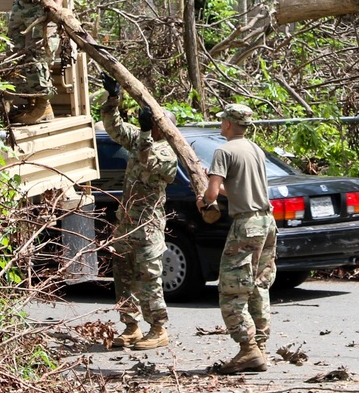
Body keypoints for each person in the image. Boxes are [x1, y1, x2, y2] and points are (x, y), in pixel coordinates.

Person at [196, 103, 277, 373]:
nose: (221, 126)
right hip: (267, 222)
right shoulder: (255, 149)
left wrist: (204, 199)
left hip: (246, 225)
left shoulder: (224, 151)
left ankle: (248, 349)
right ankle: (260, 346)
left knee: (231, 290)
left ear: (229, 124)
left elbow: (212, 192)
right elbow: (242, 189)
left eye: (222, 122)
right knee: (257, 284)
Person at [100, 73, 178, 350]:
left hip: (148, 225)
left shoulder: (168, 153)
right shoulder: (139, 138)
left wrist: (145, 133)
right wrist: (113, 98)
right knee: (122, 275)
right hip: (126, 223)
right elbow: (113, 127)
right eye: (152, 122)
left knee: (149, 278)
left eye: (157, 123)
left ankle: (158, 328)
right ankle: (130, 327)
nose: (152, 126)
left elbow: (148, 161)